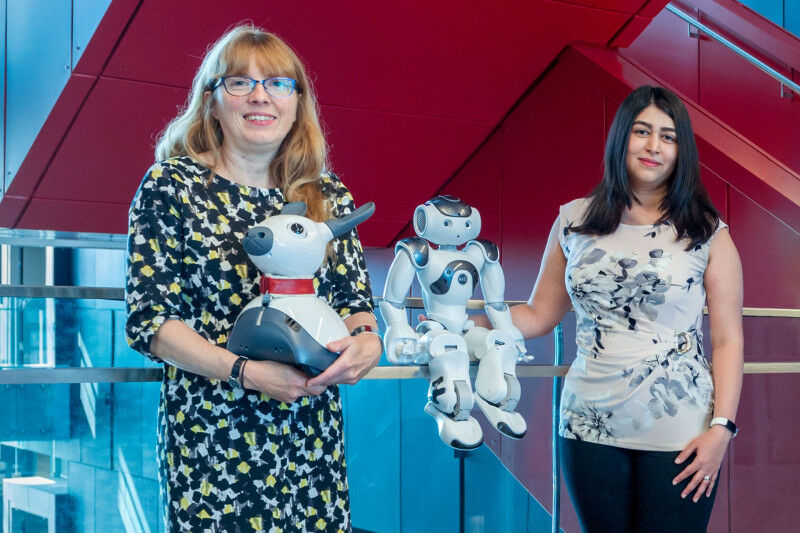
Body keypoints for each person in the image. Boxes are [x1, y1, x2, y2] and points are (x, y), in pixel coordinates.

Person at [125, 25, 382, 532]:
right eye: (239, 82)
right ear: (212, 101)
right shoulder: (172, 187)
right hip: (210, 436)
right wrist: (244, 371)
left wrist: (367, 343)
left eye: (279, 83)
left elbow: (355, 301)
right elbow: (150, 322)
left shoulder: (326, 194)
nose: (261, 95)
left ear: (297, 102)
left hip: (310, 431)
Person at [502, 86, 743, 531]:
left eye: (668, 137)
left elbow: (728, 340)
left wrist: (722, 430)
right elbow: (538, 314)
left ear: (681, 150)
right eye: (642, 131)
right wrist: (464, 326)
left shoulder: (707, 232)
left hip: (683, 433)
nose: (653, 146)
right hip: (587, 426)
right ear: (621, 139)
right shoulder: (574, 220)